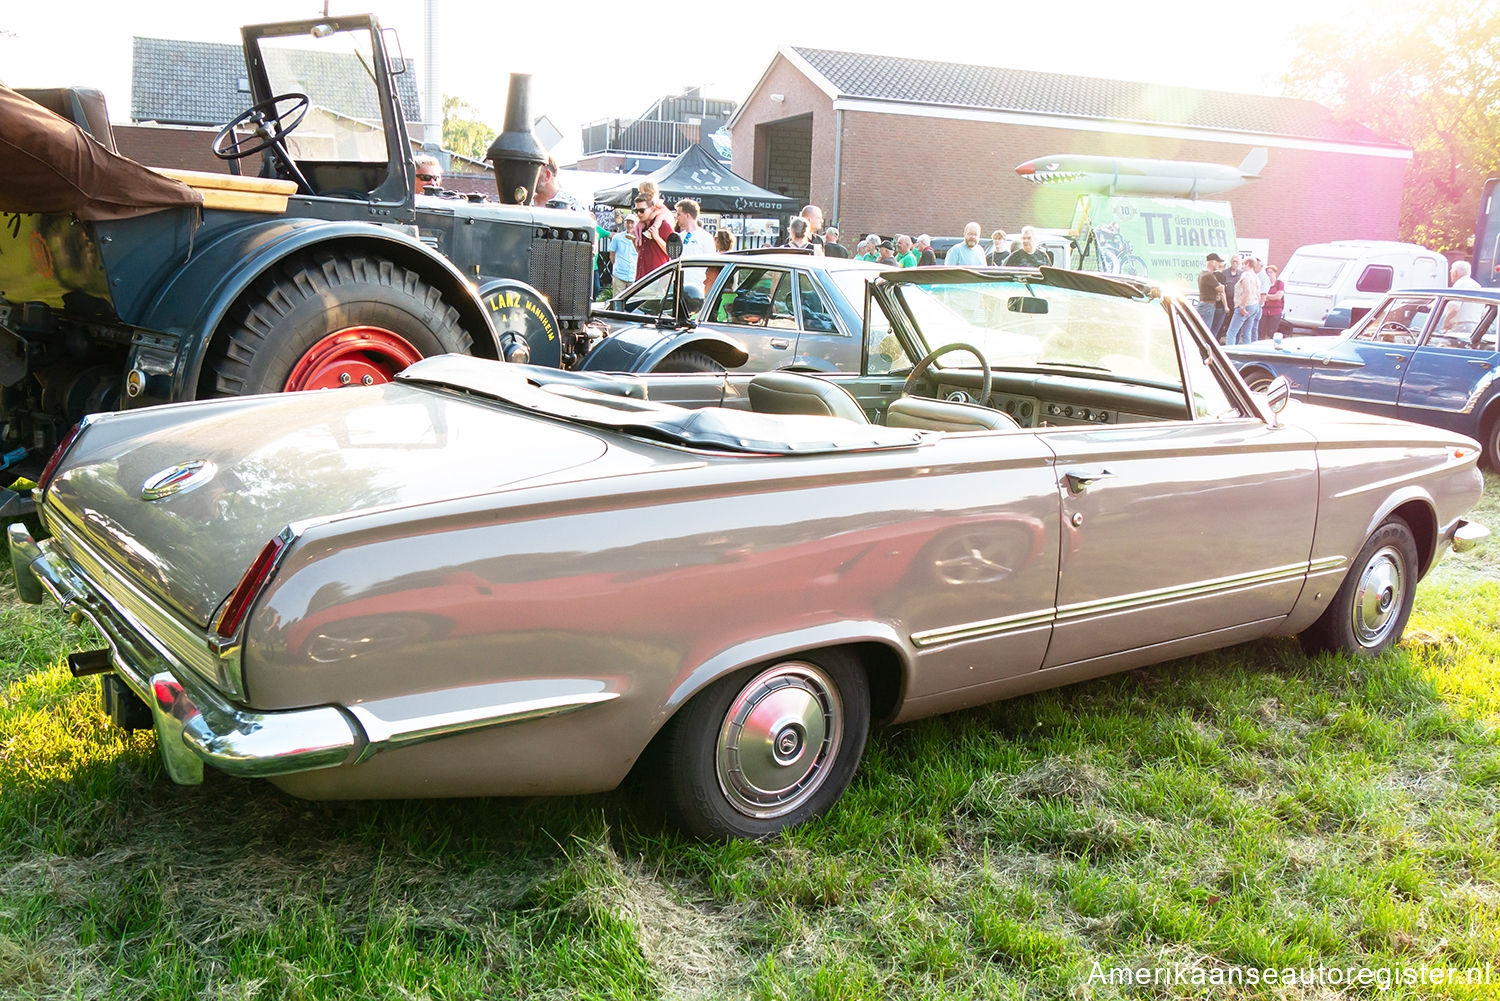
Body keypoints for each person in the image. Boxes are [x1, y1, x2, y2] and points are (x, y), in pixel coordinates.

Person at [633, 183, 673, 278]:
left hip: (657, 279)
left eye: (642, 210)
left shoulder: (663, 225)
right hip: (641, 278)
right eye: (636, 211)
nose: (638, 213)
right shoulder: (642, 226)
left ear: (652, 208)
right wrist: (634, 241)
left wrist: (656, 237)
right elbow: (641, 251)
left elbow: (672, 253)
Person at [1225, 263, 1262, 346]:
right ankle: (1248, 353)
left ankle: (1230, 354)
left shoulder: (1245, 275)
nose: (1241, 267)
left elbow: (1247, 291)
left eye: (1243, 265)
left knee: (1231, 333)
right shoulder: (1256, 277)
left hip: (1245, 305)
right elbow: (1258, 292)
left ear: (1248, 264)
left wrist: (1242, 306)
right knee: (1246, 333)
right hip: (1254, 305)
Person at [608, 218, 638, 296]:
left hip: (633, 275)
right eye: (627, 223)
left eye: (632, 223)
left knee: (631, 301)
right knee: (617, 300)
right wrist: (617, 266)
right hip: (619, 274)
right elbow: (612, 254)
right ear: (625, 224)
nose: (629, 225)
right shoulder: (617, 238)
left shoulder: (639, 238)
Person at [1196, 253, 1225, 332]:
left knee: (1202, 329)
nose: (1219, 264)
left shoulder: (1202, 274)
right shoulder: (1208, 275)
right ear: (1212, 262)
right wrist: (1222, 286)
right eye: (1218, 262)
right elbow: (1220, 289)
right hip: (1208, 305)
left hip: (1204, 304)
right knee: (1205, 330)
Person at [1216, 254, 1242, 338]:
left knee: (1234, 324)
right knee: (1221, 323)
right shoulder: (1224, 273)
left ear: (1239, 263)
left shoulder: (1242, 274)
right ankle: (1217, 341)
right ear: (1231, 262)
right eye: (1233, 261)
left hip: (1237, 302)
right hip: (1226, 301)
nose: (1235, 263)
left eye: (1236, 261)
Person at [1259, 263, 1284, 339]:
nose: (1269, 274)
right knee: (1261, 331)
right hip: (1264, 311)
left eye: (1271, 272)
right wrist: (1270, 297)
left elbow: (1278, 296)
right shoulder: (1264, 283)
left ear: (1275, 273)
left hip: (1275, 312)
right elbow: (1260, 296)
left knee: (1272, 332)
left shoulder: (1279, 283)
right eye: (1267, 272)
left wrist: (1266, 296)